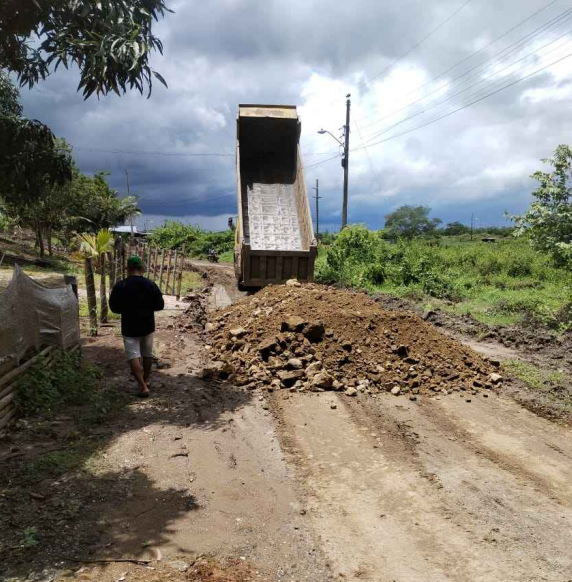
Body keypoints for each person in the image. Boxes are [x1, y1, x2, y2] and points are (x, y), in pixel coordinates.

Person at [109, 255, 164, 397]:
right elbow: (160, 305)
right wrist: (147, 308)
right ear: (141, 268)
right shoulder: (150, 284)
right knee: (147, 355)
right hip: (147, 325)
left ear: (128, 269)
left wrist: (126, 309)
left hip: (129, 326)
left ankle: (142, 387)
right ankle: (146, 380)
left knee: (133, 356)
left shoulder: (121, 285)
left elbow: (114, 308)